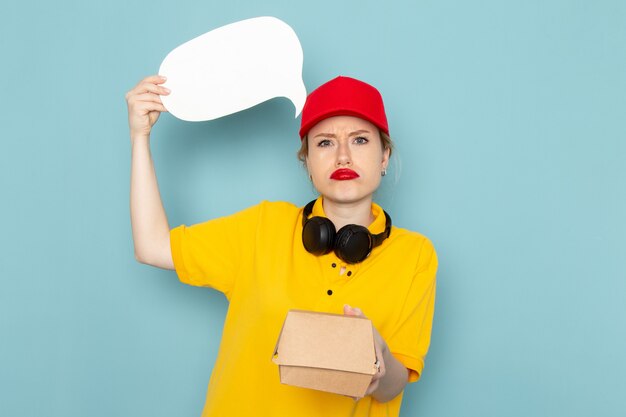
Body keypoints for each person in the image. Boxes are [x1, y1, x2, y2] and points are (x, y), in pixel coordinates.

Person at [125, 74, 437, 417]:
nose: (343, 157)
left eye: (360, 140)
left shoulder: (416, 255)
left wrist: (379, 358)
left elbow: (394, 386)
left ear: (384, 157)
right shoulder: (263, 227)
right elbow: (152, 245)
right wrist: (140, 137)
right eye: (325, 143)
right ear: (307, 163)